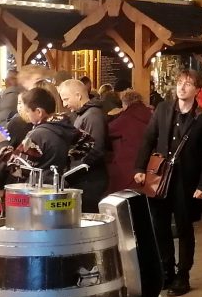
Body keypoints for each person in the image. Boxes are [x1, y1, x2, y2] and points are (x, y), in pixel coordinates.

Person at [135, 69, 202, 296]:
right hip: (160, 177)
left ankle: (183, 275)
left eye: (188, 84)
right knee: (159, 225)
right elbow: (149, 138)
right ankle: (166, 271)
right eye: (179, 83)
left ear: (198, 89)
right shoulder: (162, 109)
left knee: (184, 228)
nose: (182, 87)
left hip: (186, 181)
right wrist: (140, 168)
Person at [58, 78, 110, 213]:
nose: (64, 104)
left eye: (66, 99)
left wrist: (72, 172)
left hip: (90, 180)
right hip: (84, 177)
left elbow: (96, 149)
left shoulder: (92, 115)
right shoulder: (82, 115)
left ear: (78, 95)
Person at [107, 90, 151, 194]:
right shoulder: (150, 114)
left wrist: (111, 116)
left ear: (125, 103)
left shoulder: (126, 117)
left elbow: (108, 130)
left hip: (128, 166)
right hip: (146, 164)